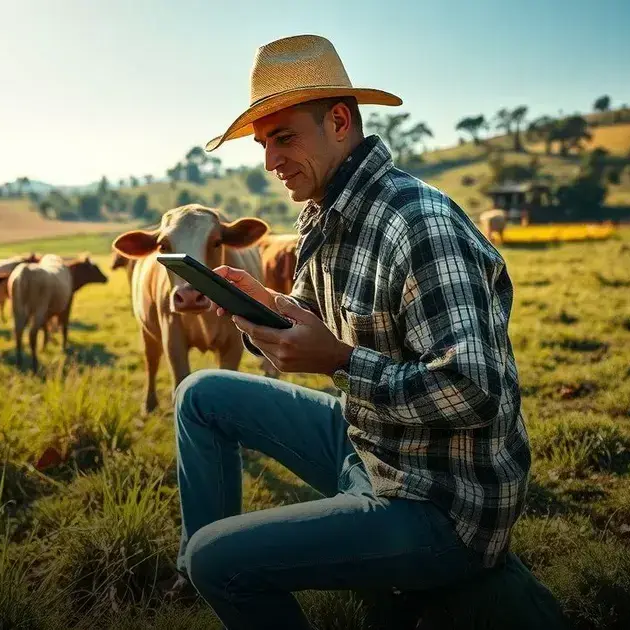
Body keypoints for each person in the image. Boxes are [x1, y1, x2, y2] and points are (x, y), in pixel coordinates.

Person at [167, 34, 535, 629]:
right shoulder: (326, 212)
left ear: (339, 121)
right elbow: (305, 324)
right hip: (369, 443)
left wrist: (339, 360)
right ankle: (197, 571)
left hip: (438, 503)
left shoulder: (419, 224)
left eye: (283, 137)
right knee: (199, 395)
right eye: (264, 144)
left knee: (220, 561)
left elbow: (477, 389)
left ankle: (209, 568)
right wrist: (250, 303)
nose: (270, 161)